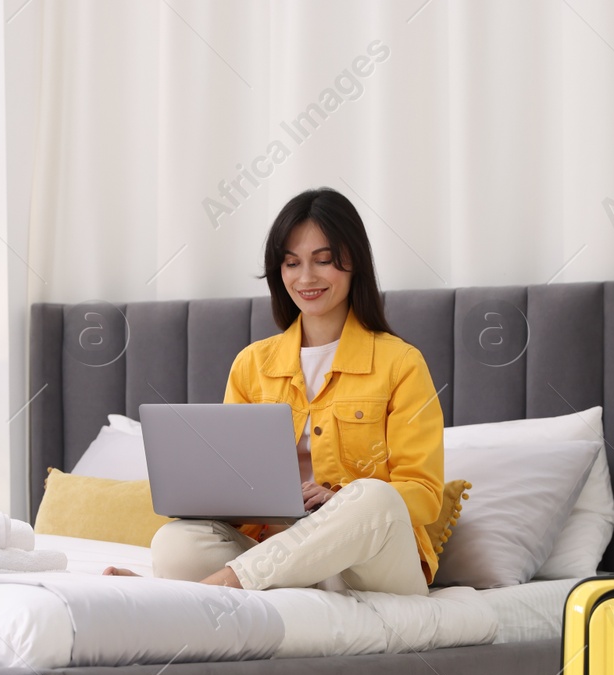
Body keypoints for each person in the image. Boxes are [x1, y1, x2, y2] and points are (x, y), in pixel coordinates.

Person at [106, 187, 444, 595]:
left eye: (323, 261)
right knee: (176, 543)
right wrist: (215, 499)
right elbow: (231, 484)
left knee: (373, 498)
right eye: (291, 263)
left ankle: (197, 591)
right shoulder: (252, 365)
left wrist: (340, 499)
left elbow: (425, 496)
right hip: (278, 552)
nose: (306, 278)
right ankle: (261, 582)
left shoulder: (401, 363)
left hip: (369, 565)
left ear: (354, 263)